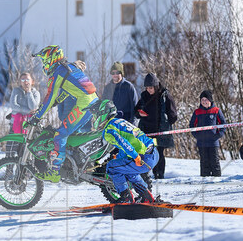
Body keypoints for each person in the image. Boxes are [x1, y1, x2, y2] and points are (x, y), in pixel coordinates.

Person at [27, 45, 99, 182]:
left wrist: (37, 117)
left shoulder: (57, 72)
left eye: (44, 61)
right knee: (71, 135)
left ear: (51, 59)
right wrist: (57, 102)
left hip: (84, 104)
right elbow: (69, 89)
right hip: (93, 101)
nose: (44, 64)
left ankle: (54, 172)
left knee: (60, 135)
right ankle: (77, 165)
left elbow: (50, 96)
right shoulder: (69, 68)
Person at [101, 116, 158, 204]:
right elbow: (126, 145)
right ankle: (146, 196)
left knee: (111, 167)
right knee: (127, 171)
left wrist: (135, 157)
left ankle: (126, 198)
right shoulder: (118, 121)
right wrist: (120, 159)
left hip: (144, 158)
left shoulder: (108, 130)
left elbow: (123, 143)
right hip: (153, 153)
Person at [135, 72, 177, 180]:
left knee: (159, 153)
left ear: (156, 86)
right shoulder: (144, 96)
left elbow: (173, 114)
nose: (149, 90)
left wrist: (167, 122)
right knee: (148, 153)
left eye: (151, 87)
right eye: (147, 88)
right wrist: (139, 113)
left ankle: (160, 174)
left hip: (160, 130)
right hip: (147, 131)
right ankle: (149, 174)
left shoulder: (164, 95)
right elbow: (135, 110)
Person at [189, 89, 226, 177]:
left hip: (213, 142)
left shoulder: (216, 110)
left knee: (215, 161)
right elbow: (192, 125)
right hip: (201, 142)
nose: (204, 102)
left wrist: (219, 135)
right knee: (204, 162)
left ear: (210, 100)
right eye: (202, 100)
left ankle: (217, 179)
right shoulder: (197, 112)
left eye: (206, 100)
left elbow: (223, 124)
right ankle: (204, 180)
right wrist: (197, 135)